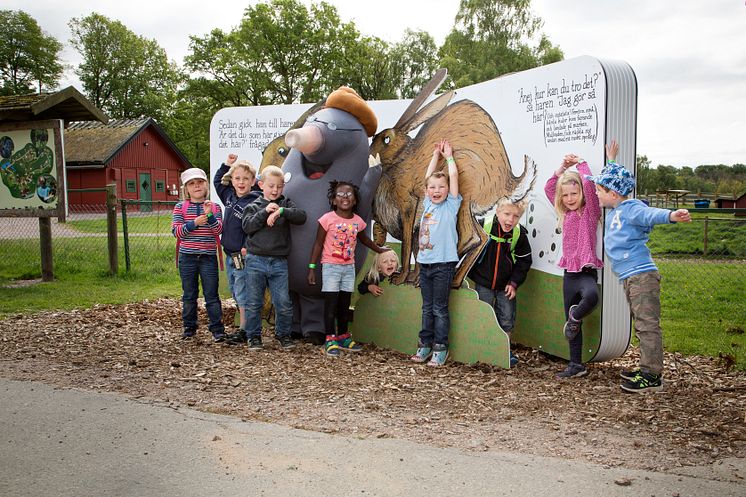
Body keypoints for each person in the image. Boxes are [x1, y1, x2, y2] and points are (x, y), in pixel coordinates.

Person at [586, 151, 691, 393]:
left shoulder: (631, 208)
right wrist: (611, 161)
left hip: (641, 276)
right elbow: (615, 181)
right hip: (631, 277)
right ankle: (647, 368)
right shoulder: (616, 209)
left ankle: (652, 376)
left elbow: (649, 214)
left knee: (647, 324)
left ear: (612, 194)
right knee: (641, 323)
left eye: (599, 190)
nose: (595, 193)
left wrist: (671, 216)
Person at [544, 143, 611, 378]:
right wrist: (562, 167)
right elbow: (550, 186)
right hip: (569, 275)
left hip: (586, 273)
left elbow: (590, 186)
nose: (570, 198)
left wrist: (580, 164)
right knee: (572, 327)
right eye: (566, 195)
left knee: (592, 297)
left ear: (582, 194)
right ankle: (576, 364)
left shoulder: (590, 212)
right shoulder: (565, 213)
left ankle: (575, 315)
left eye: (574, 193)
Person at [307, 180, 391, 357]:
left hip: (348, 268)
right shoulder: (327, 219)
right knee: (331, 304)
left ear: (354, 201)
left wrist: (380, 250)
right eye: (340, 195)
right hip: (330, 267)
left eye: (349, 194)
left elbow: (365, 240)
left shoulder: (358, 222)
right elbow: (317, 244)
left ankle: (343, 336)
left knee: (345, 303)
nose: (345, 197)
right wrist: (312, 267)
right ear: (333, 200)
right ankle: (330, 338)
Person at [410, 139, 462, 367]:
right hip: (425, 263)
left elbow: (454, 178)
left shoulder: (451, 205)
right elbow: (428, 177)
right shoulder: (428, 205)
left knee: (439, 309)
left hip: (443, 265)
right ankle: (424, 346)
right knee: (426, 308)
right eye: (432, 188)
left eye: (441, 187)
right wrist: (434, 156)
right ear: (426, 191)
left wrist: (449, 157)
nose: (436, 191)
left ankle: (441, 348)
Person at [467, 197, 532, 367]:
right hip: (483, 282)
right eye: (507, 214)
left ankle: (504, 350)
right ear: (497, 211)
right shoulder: (483, 226)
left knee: (506, 318)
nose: (510, 219)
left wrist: (514, 282)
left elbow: (524, 261)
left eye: (516, 216)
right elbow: (467, 248)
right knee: (484, 314)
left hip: (506, 286)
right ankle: (481, 348)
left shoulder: (519, 234)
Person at [172, 167, 225, 342]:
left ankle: (217, 329)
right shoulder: (180, 207)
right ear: (186, 188)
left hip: (208, 257)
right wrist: (194, 223)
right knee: (189, 294)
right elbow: (177, 232)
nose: (197, 186)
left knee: (211, 295)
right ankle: (189, 327)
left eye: (200, 182)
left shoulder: (214, 207)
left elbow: (218, 230)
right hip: (187, 257)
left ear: (206, 185)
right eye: (192, 184)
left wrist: (209, 215)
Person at [213, 154, 262, 345]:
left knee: (242, 292)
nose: (241, 182)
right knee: (235, 289)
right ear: (232, 181)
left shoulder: (255, 201)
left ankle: (245, 330)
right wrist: (227, 165)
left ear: (253, 181)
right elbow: (217, 181)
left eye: (246, 179)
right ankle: (246, 327)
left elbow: (256, 228)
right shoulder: (229, 197)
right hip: (230, 255)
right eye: (237, 178)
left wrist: (247, 247)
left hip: (243, 256)